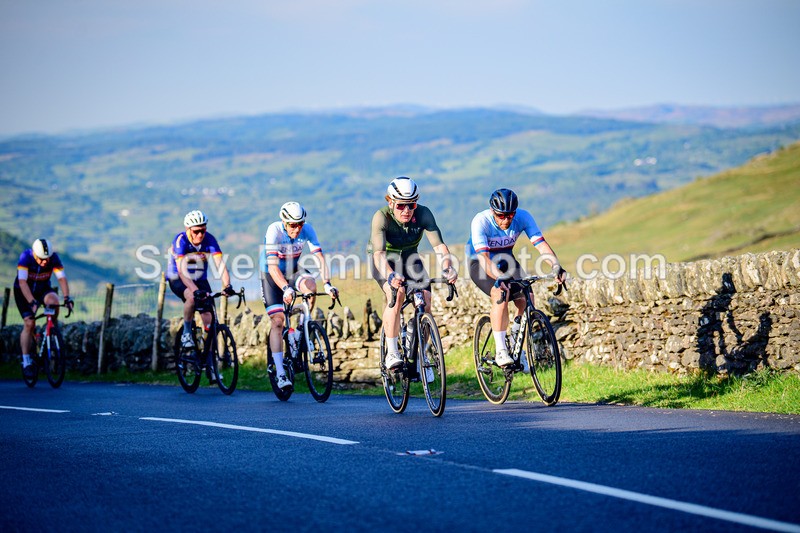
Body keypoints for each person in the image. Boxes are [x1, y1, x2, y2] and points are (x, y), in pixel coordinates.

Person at [467, 188, 567, 368]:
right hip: (481, 262)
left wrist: (556, 266)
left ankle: (516, 344)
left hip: (506, 260)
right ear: (492, 211)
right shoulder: (480, 221)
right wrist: (499, 278)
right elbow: (483, 259)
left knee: (527, 297)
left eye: (510, 215)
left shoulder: (523, 217)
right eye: (500, 216)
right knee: (500, 293)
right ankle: (501, 350)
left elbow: (540, 244)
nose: (505, 220)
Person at [370, 176, 458, 371]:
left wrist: (447, 267)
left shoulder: (424, 214)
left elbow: (440, 246)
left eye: (411, 205)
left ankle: (420, 354)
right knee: (397, 294)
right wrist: (391, 276)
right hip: (385, 261)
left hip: (410, 258)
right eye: (401, 206)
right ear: (390, 202)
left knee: (426, 301)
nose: (407, 210)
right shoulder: (381, 217)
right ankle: (392, 352)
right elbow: (378, 255)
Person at [260, 201, 339, 391]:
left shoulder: (307, 229)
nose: (297, 229)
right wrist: (286, 288)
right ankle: (280, 373)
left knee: (310, 287)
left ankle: (301, 331)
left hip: (293, 270)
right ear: (284, 222)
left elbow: (319, 258)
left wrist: (327, 283)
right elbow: (272, 267)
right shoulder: (275, 231)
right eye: (293, 225)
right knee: (278, 321)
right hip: (271, 275)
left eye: (300, 224)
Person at [167, 210, 236, 382]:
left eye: (202, 230)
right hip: (178, 277)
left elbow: (220, 265)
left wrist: (227, 285)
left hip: (200, 279)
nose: (199, 234)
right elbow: (182, 271)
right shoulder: (180, 241)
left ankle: (210, 363)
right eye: (196, 231)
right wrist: (195, 290)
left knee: (210, 321)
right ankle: (187, 333)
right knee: (191, 296)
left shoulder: (210, 240)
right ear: (188, 229)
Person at [14, 238, 73, 378]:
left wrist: (67, 298)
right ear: (34, 254)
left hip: (42, 289)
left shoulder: (53, 257)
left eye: (47, 259)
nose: (45, 262)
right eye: (41, 259)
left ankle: (51, 328)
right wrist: (32, 302)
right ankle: (26, 361)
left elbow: (62, 278)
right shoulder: (25, 257)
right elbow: (22, 282)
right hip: (24, 292)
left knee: (53, 300)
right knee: (29, 323)